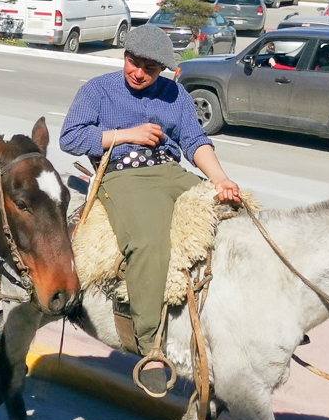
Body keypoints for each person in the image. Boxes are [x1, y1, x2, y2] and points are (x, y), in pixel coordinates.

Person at [60, 25, 240, 395]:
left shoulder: (175, 94)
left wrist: (221, 180)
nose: (139, 73)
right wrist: (127, 134)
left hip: (171, 171)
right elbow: (70, 137)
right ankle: (150, 346)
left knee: (238, 217)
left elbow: (193, 139)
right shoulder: (98, 91)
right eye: (133, 62)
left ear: (163, 71)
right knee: (149, 242)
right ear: (124, 55)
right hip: (122, 176)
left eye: (150, 68)